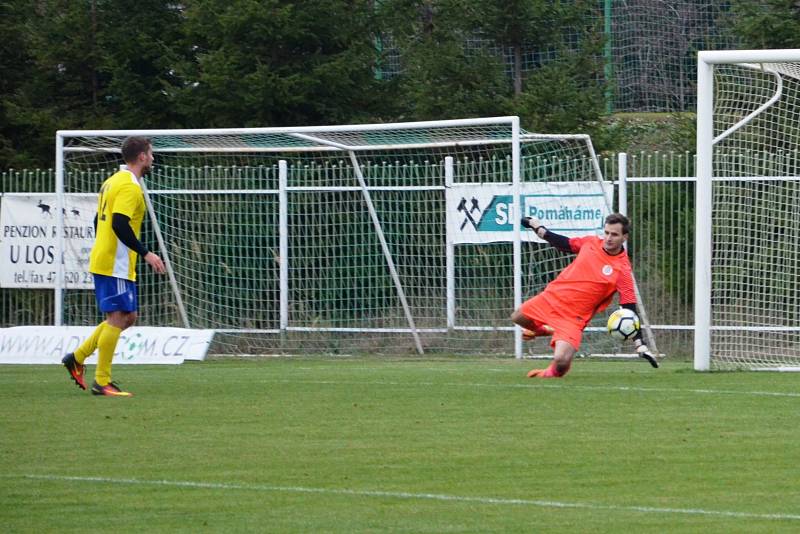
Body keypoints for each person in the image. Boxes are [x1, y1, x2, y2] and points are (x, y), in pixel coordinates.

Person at [62, 136, 166, 396]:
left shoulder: (112, 181)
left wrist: (104, 246)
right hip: (115, 263)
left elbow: (98, 220)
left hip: (110, 260)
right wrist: (146, 253)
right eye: (150, 154)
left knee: (128, 317)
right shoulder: (129, 186)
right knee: (118, 317)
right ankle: (102, 381)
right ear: (142, 156)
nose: (152, 158)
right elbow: (119, 223)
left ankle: (77, 357)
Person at [511, 213, 658, 378]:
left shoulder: (622, 270)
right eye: (607, 232)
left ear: (624, 237)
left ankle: (548, 374)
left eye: (614, 234)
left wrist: (640, 344)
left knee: (561, 360)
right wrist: (536, 225)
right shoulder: (590, 243)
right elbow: (562, 243)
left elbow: (629, 311)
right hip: (552, 297)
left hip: (574, 317)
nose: (608, 238)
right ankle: (544, 330)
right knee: (517, 317)